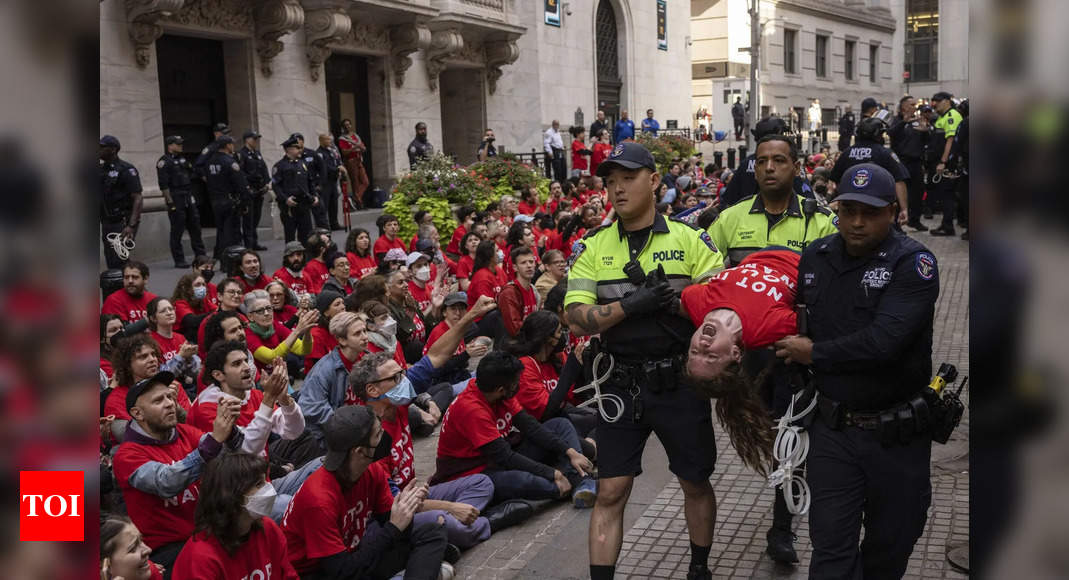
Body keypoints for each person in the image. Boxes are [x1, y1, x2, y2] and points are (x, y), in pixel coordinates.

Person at [564, 141, 725, 580]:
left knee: (694, 480)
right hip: (621, 387)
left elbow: (721, 311)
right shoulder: (592, 247)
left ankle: (699, 567)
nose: (617, 189)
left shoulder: (691, 240)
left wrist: (678, 303)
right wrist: (629, 308)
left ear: (654, 181)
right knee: (611, 490)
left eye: (628, 178)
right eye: (610, 181)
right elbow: (576, 318)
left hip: (680, 383)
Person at [773, 163, 939, 578]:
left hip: (898, 435)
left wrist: (813, 353)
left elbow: (885, 342)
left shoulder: (913, 263)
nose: (857, 222)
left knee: (891, 546)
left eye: (870, 212)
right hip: (834, 433)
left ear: (892, 212)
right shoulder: (816, 256)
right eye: (848, 210)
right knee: (830, 549)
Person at [349, 351, 528, 548]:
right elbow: (394, 505)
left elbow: (433, 358)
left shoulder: (398, 408)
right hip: (395, 512)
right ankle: (487, 522)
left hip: (417, 496)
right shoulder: (370, 442)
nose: (404, 381)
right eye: (396, 378)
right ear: (373, 390)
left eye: (402, 374)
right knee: (440, 518)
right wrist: (450, 507)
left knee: (482, 483)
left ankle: (451, 530)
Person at [281, 405, 451, 580]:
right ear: (360, 451)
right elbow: (342, 572)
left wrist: (405, 509)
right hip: (320, 573)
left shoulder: (372, 471)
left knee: (432, 532)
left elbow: (397, 534)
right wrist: (394, 528)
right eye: (378, 434)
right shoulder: (319, 499)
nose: (384, 437)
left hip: (353, 555)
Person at [111, 371, 242, 573]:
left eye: (169, 397)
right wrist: (214, 441)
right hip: (168, 548)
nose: (169, 403)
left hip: (207, 531)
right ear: (138, 414)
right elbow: (166, 482)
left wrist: (229, 429)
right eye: (158, 401)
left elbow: (223, 454)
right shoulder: (126, 455)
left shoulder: (184, 432)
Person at [433, 351, 596, 506]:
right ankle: (576, 481)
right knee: (530, 481)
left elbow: (531, 427)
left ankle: (581, 481)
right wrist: (551, 473)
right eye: (516, 383)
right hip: (477, 472)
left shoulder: (495, 392)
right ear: (501, 390)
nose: (519, 385)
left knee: (560, 425)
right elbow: (506, 456)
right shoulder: (472, 409)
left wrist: (570, 451)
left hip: (502, 456)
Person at [707, 135, 838, 267]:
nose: (769, 167)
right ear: (756, 171)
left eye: (779, 160)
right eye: (762, 161)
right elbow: (706, 273)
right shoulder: (729, 218)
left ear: (797, 168)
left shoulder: (823, 222)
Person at [171, 452, 299, 579]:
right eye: (258, 484)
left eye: (265, 480)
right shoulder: (200, 558)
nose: (269, 488)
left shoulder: (268, 528)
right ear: (231, 495)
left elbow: (288, 575)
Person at [503, 310, 596, 440]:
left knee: (601, 421)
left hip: (560, 414)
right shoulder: (524, 365)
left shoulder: (556, 357)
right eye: (559, 332)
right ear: (547, 338)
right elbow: (545, 412)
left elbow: (575, 398)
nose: (563, 336)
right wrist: (570, 370)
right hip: (536, 428)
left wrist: (582, 369)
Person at [297, 311, 369, 447]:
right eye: (357, 334)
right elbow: (311, 406)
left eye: (365, 331)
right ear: (342, 340)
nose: (365, 337)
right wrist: (345, 427)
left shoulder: (367, 359)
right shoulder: (324, 369)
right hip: (334, 435)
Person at [829, 112, 910, 226]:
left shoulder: (847, 153)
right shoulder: (885, 153)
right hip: (877, 207)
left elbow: (834, 180)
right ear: (878, 134)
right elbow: (899, 181)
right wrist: (904, 209)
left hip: (851, 207)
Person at [719, 117, 813, 208]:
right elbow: (809, 200)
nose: (769, 168)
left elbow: (729, 201)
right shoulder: (790, 164)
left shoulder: (746, 164)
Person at [105, 334, 194, 423]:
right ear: (127, 365)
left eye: (153, 354)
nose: (152, 359)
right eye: (143, 357)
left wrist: (176, 408)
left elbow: (192, 423)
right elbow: (129, 435)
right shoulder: (116, 400)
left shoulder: (172, 386)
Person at [156, 135, 206, 268]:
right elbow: (164, 185)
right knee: (177, 229)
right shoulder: (164, 162)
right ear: (170, 146)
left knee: (195, 226)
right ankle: (179, 259)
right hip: (175, 196)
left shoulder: (183, 159)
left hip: (187, 195)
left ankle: (200, 255)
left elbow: (192, 173)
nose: (180, 146)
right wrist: (170, 202)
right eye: (178, 144)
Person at [241, 289, 318, 374]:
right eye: (260, 311)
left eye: (269, 308)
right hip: (262, 382)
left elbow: (303, 350)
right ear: (250, 316)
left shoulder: (275, 326)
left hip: (279, 374)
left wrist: (307, 331)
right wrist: (298, 330)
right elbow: (271, 357)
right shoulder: (247, 334)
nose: (266, 313)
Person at [100, 135, 144, 269]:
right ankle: (119, 288)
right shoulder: (100, 170)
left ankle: (132, 286)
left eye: (102, 147)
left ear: (113, 149)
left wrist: (131, 225)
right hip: (107, 221)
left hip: (123, 222)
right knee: (112, 261)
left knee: (119, 260)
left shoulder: (126, 169)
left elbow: (138, 197)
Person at [888, 95, 931, 232]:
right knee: (899, 193)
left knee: (918, 192)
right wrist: (904, 123)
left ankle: (915, 220)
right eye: (911, 105)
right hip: (901, 161)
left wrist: (926, 131)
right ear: (903, 107)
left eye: (915, 104)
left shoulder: (918, 121)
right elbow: (891, 133)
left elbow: (926, 141)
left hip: (916, 162)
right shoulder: (896, 120)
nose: (915, 107)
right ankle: (897, 222)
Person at [204, 135, 250, 259]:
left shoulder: (210, 161)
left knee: (221, 231)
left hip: (215, 201)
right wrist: (245, 202)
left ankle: (218, 255)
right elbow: (240, 184)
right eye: (231, 144)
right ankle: (228, 260)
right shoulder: (230, 162)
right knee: (232, 233)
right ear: (227, 145)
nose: (233, 146)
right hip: (230, 201)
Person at [928, 91, 965, 236]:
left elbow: (950, 140)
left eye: (937, 100)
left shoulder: (952, 116)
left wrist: (944, 162)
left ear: (946, 101)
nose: (934, 104)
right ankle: (945, 224)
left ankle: (948, 226)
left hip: (948, 164)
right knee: (943, 194)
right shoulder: (942, 117)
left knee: (947, 194)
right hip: (939, 162)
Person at [272, 136, 318, 244]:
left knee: (307, 236)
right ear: (289, 150)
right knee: (290, 237)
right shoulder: (280, 166)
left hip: (304, 204)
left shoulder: (302, 164)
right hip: (289, 207)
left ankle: (306, 259)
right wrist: (285, 199)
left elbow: (310, 181)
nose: (300, 150)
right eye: (297, 148)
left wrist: (314, 195)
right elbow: (275, 186)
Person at [237, 130, 271, 250]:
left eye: (257, 139)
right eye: (254, 139)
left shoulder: (257, 153)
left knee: (256, 218)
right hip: (249, 191)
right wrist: (247, 187)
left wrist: (267, 182)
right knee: (248, 220)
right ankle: (249, 245)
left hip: (259, 190)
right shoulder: (242, 154)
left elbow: (264, 168)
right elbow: (240, 173)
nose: (256, 141)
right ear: (247, 140)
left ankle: (254, 242)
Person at [498, 246, 539, 337]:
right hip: (513, 346)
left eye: (531, 262)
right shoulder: (509, 293)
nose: (529, 265)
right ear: (515, 267)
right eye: (523, 263)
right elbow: (515, 330)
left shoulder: (534, 290)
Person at [337, 118, 368, 208]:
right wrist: (354, 148)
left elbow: (363, 148)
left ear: (351, 125)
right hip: (350, 161)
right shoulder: (342, 139)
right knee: (355, 182)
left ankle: (356, 197)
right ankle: (359, 203)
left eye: (348, 124)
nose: (347, 127)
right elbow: (344, 152)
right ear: (343, 127)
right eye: (345, 125)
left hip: (359, 160)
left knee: (365, 181)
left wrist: (361, 148)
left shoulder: (356, 136)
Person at [317, 133, 345, 231]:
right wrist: (337, 169)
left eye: (330, 140)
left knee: (334, 203)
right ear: (321, 141)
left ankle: (334, 223)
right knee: (325, 203)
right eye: (327, 140)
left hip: (333, 180)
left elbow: (337, 161)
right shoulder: (319, 153)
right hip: (325, 182)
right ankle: (324, 226)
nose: (330, 142)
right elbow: (325, 167)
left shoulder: (331, 151)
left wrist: (340, 168)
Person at [467, 240, 507, 309]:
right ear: (490, 256)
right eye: (497, 251)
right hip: (482, 316)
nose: (500, 252)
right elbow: (486, 306)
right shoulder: (482, 277)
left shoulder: (499, 270)